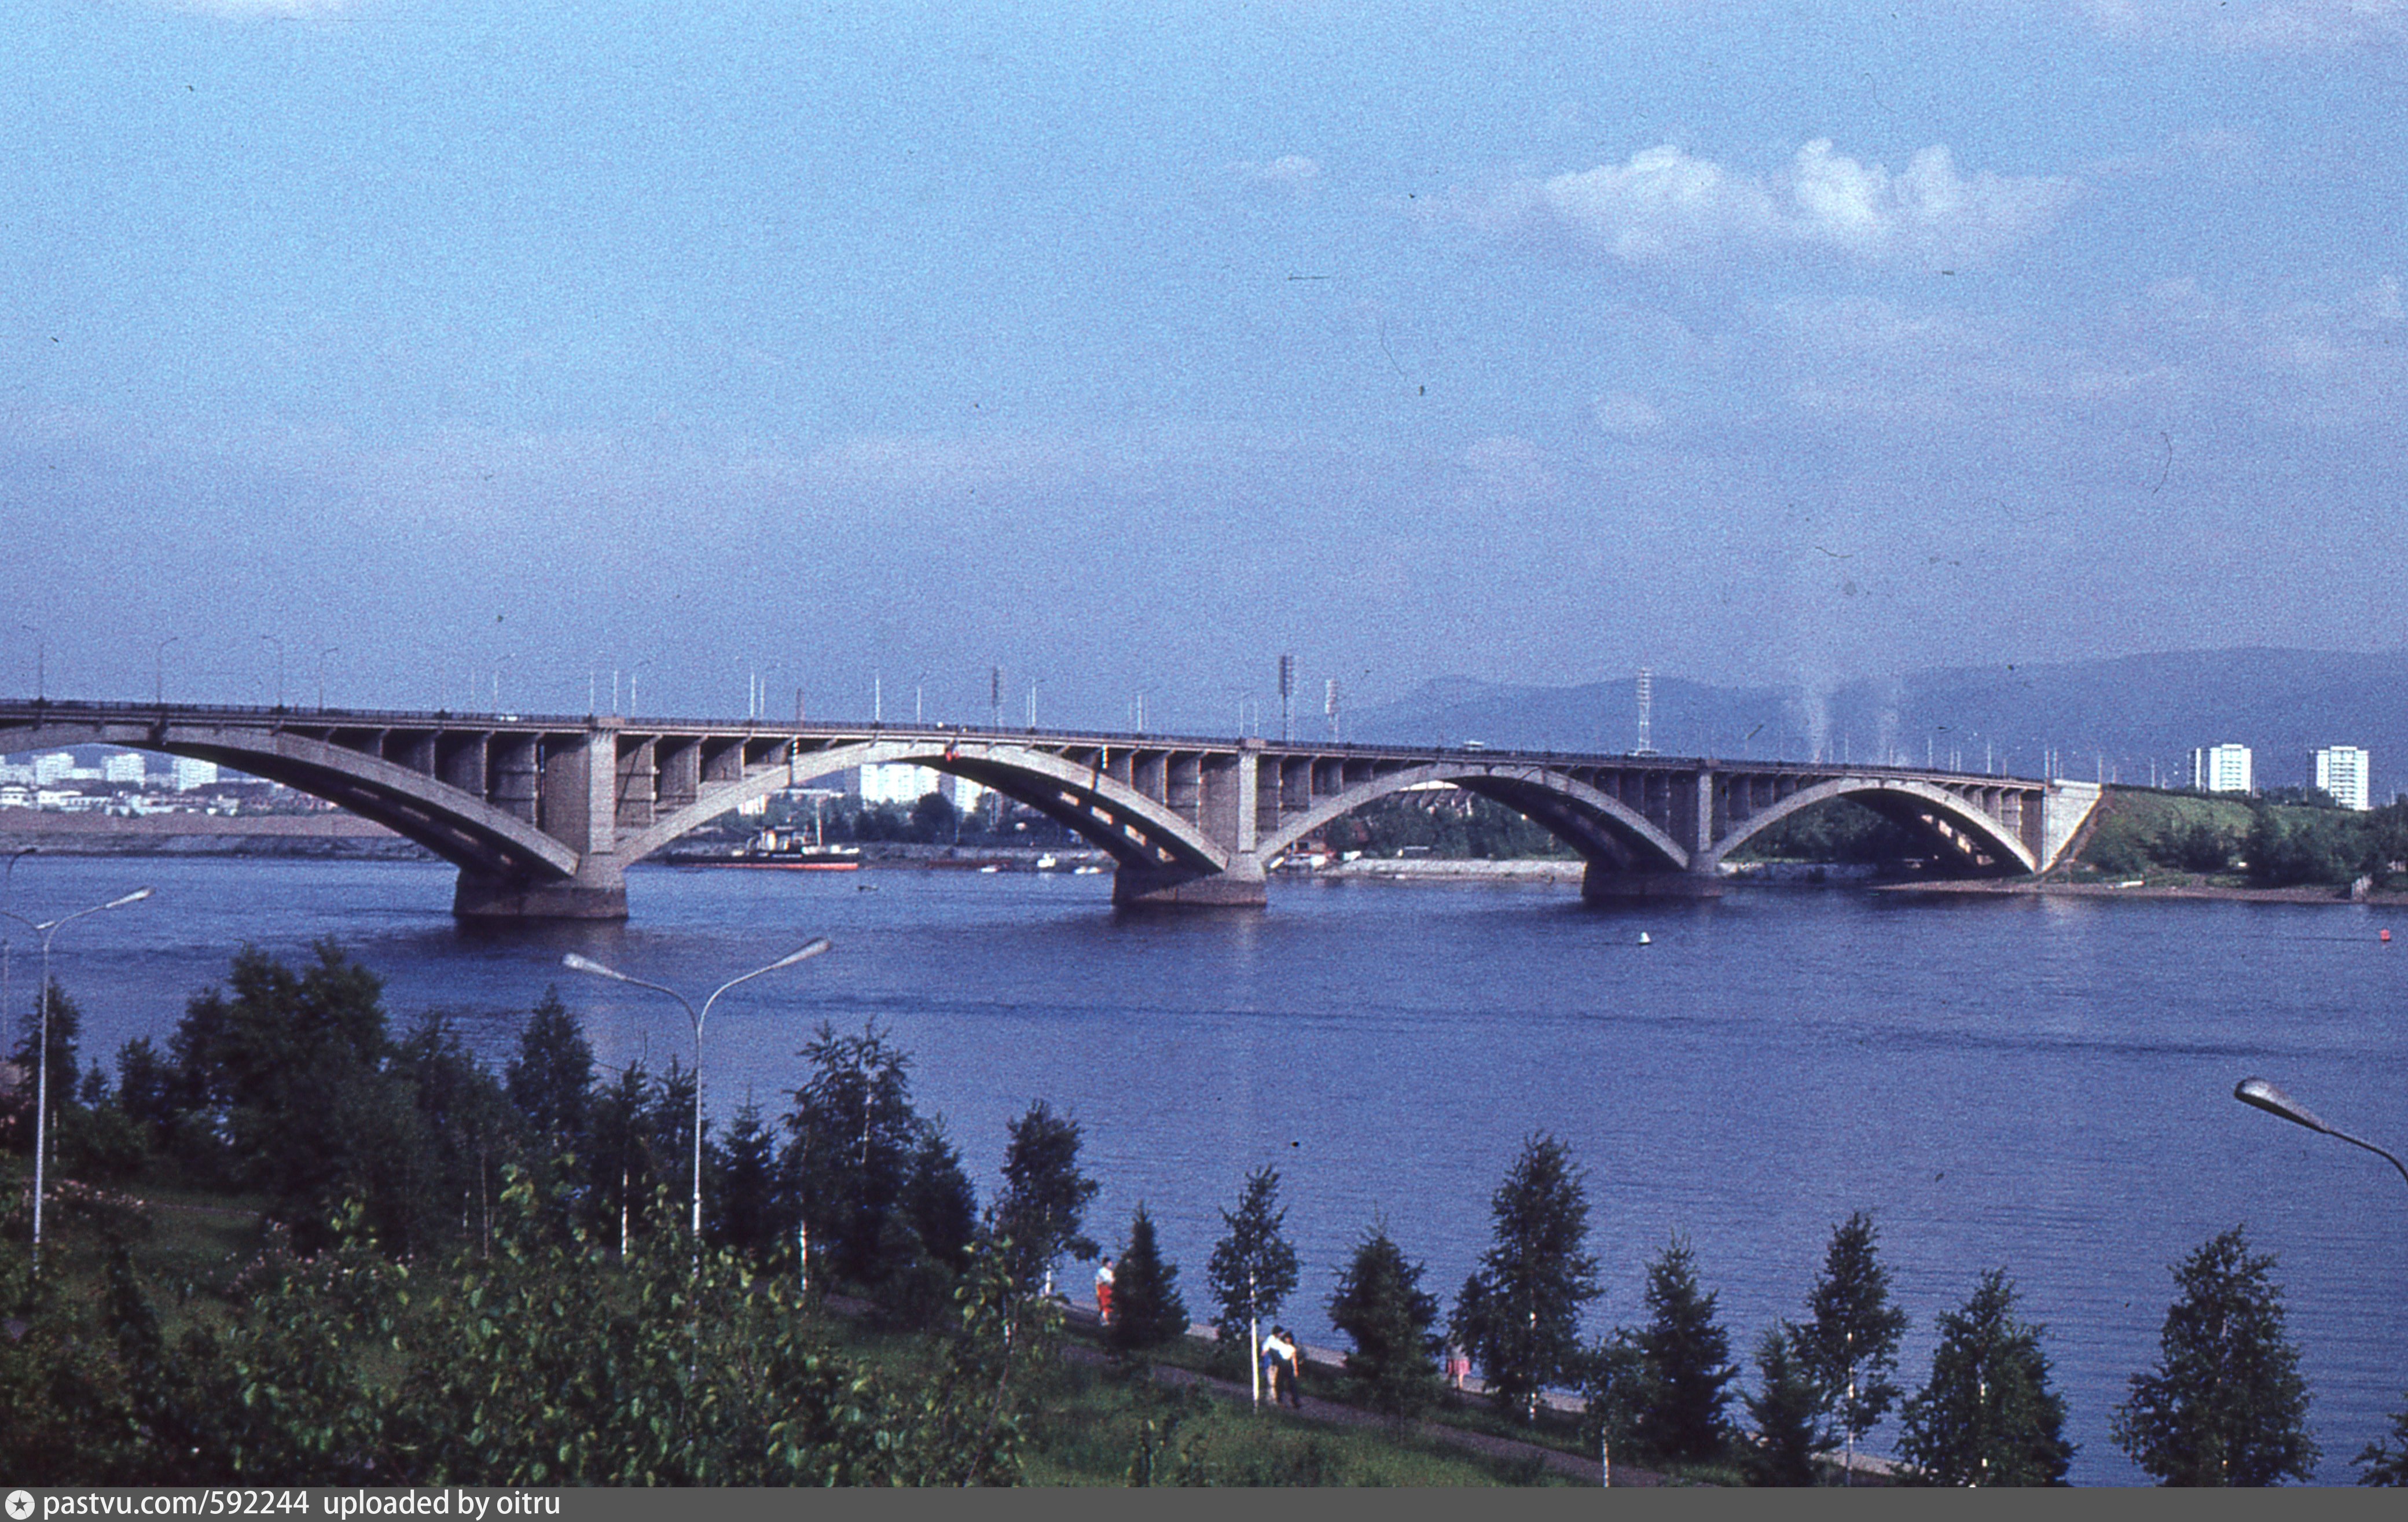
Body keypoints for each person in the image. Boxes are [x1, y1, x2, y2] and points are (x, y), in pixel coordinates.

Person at [1094, 1256, 1115, 1324]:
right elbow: (1105, 1281)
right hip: (1102, 1290)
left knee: (1108, 1306)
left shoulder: (1110, 1272)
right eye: (1110, 1263)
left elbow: (1112, 1281)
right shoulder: (1101, 1271)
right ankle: (1103, 1320)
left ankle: (1104, 1320)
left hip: (1108, 1290)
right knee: (1104, 1306)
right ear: (1106, 1263)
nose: (1111, 1264)